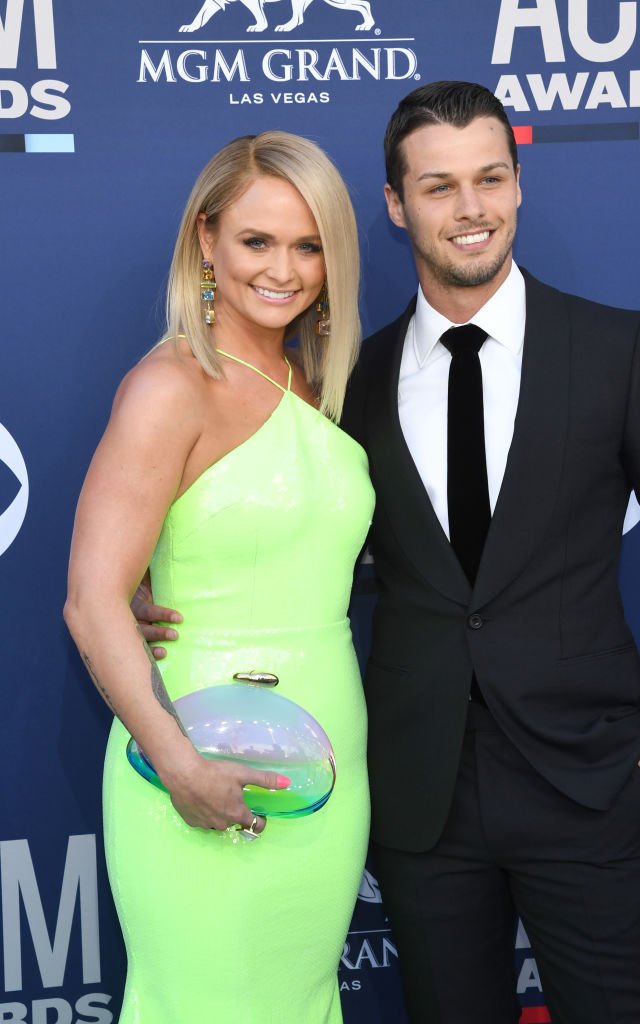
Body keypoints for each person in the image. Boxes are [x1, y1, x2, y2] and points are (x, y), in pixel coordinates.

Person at [135, 84, 640, 1023]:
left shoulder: (616, 350)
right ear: (394, 204)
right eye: (440, 185)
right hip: (417, 801)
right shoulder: (347, 380)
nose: (470, 209)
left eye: (490, 178)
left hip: (590, 785)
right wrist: (145, 580)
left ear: (518, 187)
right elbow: (266, 514)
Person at [64, 131, 374, 1023]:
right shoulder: (173, 386)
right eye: (257, 241)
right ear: (206, 241)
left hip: (328, 764)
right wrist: (178, 764)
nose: (285, 269)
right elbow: (92, 601)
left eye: (309, 245)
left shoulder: (309, 383)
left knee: (300, 998)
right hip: (195, 757)